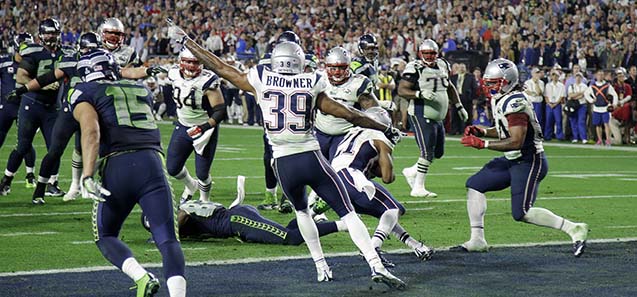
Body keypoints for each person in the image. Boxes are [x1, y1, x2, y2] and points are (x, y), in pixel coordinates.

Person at [170, 23, 405, 289]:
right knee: (348, 213)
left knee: (302, 212)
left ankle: (321, 266)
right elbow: (349, 114)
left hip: (283, 162)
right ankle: (375, 264)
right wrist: (385, 128)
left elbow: (222, 68)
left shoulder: (261, 77)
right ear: (299, 61)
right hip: (310, 156)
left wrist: (189, 42)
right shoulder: (311, 81)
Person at [71, 49, 186, 296]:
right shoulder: (141, 89)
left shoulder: (84, 91)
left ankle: (142, 277)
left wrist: (88, 175)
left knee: (106, 235)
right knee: (167, 240)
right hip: (152, 163)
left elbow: (91, 132)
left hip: (118, 167)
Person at [10, 32, 166, 204]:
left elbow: (126, 72)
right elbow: (47, 78)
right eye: (86, 49)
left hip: (95, 108)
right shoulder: (71, 60)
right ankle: (41, 189)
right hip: (72, 109)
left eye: (93, 49)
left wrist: (147, 70)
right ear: (79, 48)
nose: (89, 53)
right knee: (55, 151)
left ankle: (88, 184)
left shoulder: (106, 59)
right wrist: (22, 90)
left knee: (89, 146)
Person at [457, 58, 588, 257]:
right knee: (475, 184)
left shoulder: (515, 102)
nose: (489, 86)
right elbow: (504, 130)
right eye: (488, 82)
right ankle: (477, 239)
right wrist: (482, 132)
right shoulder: (501, 98)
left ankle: (573, 228)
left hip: (529, 160)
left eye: (493, 82)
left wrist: (483, 144)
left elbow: (516, 140)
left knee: (522, 213)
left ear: (507, 80)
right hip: (512, 159)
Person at [321, 107, 435, 266]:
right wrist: (389, 149)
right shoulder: (380, 137)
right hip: (351, 176)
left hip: (335, 179)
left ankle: (416, 245)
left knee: (389, 210)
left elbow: (367, 165)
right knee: (392, 209)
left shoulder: (351, 133)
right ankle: (373, 248)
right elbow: (388, 178)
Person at [143, 176, 342, 245]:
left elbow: (183, 216)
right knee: (285, 230)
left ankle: (342, 225)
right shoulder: (179, 212)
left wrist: (165, 233)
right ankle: (313, 213)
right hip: (238, 219)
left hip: (238, 221)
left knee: (291, 239)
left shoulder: (181, 212)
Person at [0, 18, 69, 198]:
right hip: (32, 104)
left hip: (53, 107)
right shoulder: (33, 52)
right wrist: (43, 85)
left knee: (55, 148)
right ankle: (6, 180)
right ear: (40, 34)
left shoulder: (65, 53)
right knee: (23, 146)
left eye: (53, 32)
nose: (50, 36)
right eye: (47, 32)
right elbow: (21, 77)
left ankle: (51, 183)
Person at [398, 39, 468, 198]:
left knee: (438, 153)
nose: (429, 56)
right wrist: (419, 94)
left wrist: (459, 106)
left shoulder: (443, 65)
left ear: (437, 53)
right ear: (420, 53)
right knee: (427, 151)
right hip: (421, 113)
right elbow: (402, 90)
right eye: (426, 53)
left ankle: (411, 171)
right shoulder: (414, 67)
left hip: (438, 117)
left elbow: (449, 87)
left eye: (432, 53)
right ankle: (418, 188)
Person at [165, 47, 226, 203]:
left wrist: (204, 127)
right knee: (172, 168)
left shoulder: (207, 81)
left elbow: (220, 111)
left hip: (205, 130)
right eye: (188, 62)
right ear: (181, 62)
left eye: (195, 62)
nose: (191, 66)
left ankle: (205, 200)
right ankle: (190, 185)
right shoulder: (173, 73)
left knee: (202, 173)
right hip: (183, 125)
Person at [0, 32, 37, 190]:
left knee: (25, 142)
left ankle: (30, 175)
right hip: (6, 107)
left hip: (25, 106)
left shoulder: (34, 63)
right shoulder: (3, 62)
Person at [585, 69, 618, 146]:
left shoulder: (607, 86)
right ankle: (599, 140)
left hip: (605, 108)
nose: (600, 76)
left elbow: (614, 94)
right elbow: (586, 94)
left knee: (606, 124)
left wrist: (614, 103)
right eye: (599, 74)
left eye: (602, 74)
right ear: (596, 76)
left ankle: (608, 140)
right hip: (596, 108)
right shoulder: (593, 86)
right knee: (597, 125)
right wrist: (591, 100)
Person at [450, 63, 477, 135]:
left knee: (467, 115)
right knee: (454, 115)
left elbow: (474, 88)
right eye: (460, 67)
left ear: (465, 69)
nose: (461, 69)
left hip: (466, 98)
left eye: (463, 67)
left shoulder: (470, 77)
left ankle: (466, 131)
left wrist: (473, 98)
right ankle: (454, 130)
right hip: (455, 98)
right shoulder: (453, 77)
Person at [566, 72, 589, 143]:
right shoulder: (571, 86)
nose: (578, 78)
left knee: (581, 121)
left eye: (579, 77)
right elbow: (570, 95)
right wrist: (579, 93)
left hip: (582, 105)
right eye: (577, 77)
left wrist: (575, 95)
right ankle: (575, 137)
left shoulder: (584, 86)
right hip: (573, 105)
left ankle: (583, 137)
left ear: (581, 78)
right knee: (573, 121)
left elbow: (583, 95)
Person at [543, 70, 566, 141]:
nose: (554, 77)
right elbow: (546, 96)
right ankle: (547, 136)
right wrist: (549, 104)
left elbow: (562, 96)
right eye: (553, 75)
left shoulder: (561, 85)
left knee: (558, 121)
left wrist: (555, 104)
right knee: (548, 121)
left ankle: (559, 136)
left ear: (558, 77)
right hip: (549, 104)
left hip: (557, 104)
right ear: (551, 76)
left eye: (556, 75)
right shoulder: (548, 85)